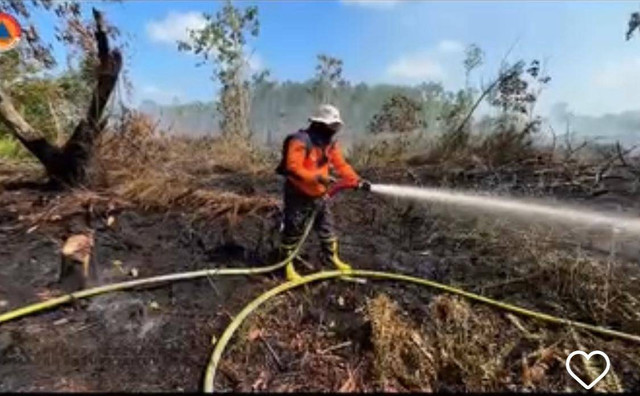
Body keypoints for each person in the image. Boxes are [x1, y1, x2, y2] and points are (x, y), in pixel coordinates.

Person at [275, 104, 371, 281]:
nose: (334, 130)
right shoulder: (300, 140)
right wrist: (317, 178)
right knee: (294, 229)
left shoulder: (330, 144)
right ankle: (287, 265)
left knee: (326, 227)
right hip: (298, 193)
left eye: (336, 126)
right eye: (332, 126)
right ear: (320, 124)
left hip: (320, 194)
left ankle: (332, 258)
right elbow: (292, 168)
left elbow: (341, 165)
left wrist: (356, 181)